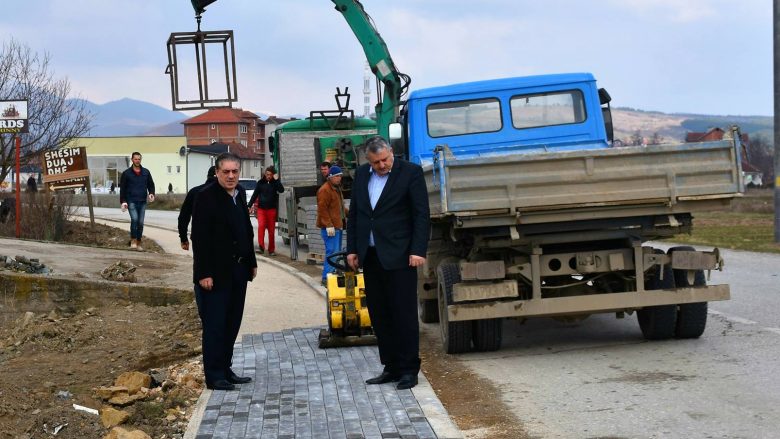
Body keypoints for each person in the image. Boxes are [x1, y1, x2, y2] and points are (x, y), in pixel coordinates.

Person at [346, 136, 430, 390]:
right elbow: (357, 215)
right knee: (380, 314)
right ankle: (391, 366)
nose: (382, 165)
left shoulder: (411, 173)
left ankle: (408, 370)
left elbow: (421, 214)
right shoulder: (361, 175)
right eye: (376, 162)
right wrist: (352, 249)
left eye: (385, 160)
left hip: (401, 255)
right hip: (371, 255)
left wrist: (417, 249)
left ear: (391, 153)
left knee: (403, 314)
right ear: (368, 161)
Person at [191, 152, 257, 391]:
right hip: (215, 274)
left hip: (239, 271)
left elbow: (246, 230)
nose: (231, 176)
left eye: (235, 172)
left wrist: (252, 261)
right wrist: (203, 273)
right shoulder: (205, 197)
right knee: (215, 324)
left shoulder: (238, 195)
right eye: (226, 172)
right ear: (217, 172)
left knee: (232, 322)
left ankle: (226, 368)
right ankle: (214, 375)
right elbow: (199, 237)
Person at [316, 165, 348, 285]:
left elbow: (338, 208)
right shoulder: (325, 190)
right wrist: (328, 225)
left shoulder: (336, 189)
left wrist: (349, 213)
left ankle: (332, 276)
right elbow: (322, 209)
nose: (339, 178)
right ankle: (326, 278)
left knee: (336, 252)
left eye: (340, 176)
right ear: (331, 177)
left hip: (337, 226)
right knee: (332, 253)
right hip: (330, 228)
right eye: (337, 176)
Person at [119, 152, 155, 251]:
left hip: (143, 201)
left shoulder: (146, 172)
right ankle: (133, 240)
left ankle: (139, 242)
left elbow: (151, 184)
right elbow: (123, 189)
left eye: (139, 159)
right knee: (134, 219)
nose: (137, 161)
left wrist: (151, 193)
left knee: (140, 222)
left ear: (141, 159)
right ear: (132, 160)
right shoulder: (126, 173)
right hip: (131, 201)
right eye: (135, 159)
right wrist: (123, 201)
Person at [178, 166, 216, 251]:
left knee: (202, 263)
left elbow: (183, 217)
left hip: (199, 237)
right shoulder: (228, 193)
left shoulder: (194, 192)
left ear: (207, 176)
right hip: (224, 240)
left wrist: (183, 238)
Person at [247, 166, 284, 255]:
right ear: (265, 174)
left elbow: (281, 190)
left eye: (270, 175)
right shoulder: (260, 183)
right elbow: (255, 195)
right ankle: (261, 247)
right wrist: (249, 205)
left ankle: (271, 250)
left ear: (273, 175)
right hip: (261, 209)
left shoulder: (275, 183)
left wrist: (277, 179)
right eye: (267, 174)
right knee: (261, 226)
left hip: (271, 209)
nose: (268, 176)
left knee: (271, 231)